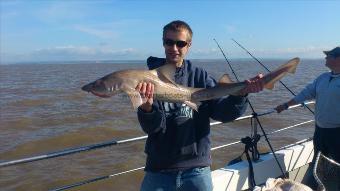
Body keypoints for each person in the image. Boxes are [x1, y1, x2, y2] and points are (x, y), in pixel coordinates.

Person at [136, 20, 265, 191]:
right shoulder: (149, 79)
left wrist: (239, 96)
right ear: (163, 43)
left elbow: (223, 114)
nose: (174, 48)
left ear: (188, 45)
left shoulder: (200, 76)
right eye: (169, 42)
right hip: (159, 170)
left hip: (196, 170)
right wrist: (147, 109)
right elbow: (152, 128)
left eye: (180, 43)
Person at [275, 47, 340, 188]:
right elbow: (306, 93)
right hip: (320, 131)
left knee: (337, 165)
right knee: (318, 162)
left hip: (337, 132)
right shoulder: (323, 78)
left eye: (328, 56)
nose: (325, 58)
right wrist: (286, 105)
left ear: (338, 58)